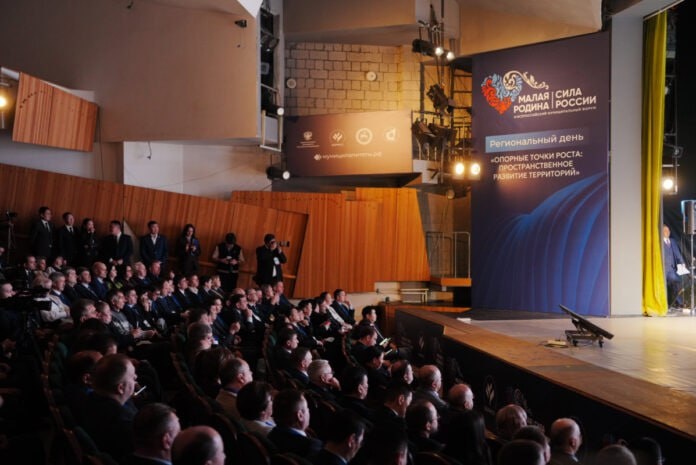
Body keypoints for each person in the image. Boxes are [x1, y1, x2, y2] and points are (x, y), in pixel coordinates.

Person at [81, 353, 139, 462]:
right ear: (121, 388)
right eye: (132, 376)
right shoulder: (125, 423)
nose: (136, 377)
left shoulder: (89, 400)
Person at [268, 389, 323, 458]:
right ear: (300, 415)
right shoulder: (312, 446)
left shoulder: (272, 434)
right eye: (307, 408)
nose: (309, 410)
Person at [662, 224, 687, 309]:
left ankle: (679, 303)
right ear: (662, 232)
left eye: (668, 230)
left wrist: (682, 262)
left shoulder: (672, 241)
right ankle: (665, 304)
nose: (667, 232)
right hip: (662, 269)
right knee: (664, 286)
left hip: (671, 269)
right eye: (665, 230)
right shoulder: (659, 241)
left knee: (676, 283)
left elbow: (677, 253)